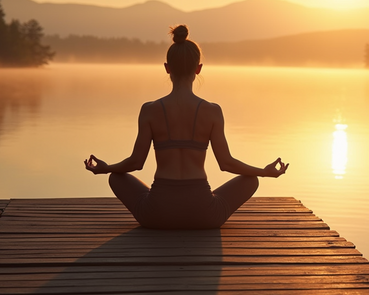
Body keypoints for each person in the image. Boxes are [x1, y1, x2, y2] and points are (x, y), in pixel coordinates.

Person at [84, 24, 288, 229]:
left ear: (167, 68)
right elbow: (226, 163)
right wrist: (263, 171)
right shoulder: (212, 111)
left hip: (157, 215)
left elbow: (136, 162)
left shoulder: (149, 110)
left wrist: (106, 168)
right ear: (198, 69)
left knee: (116, 178)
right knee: (251, 180)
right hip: (204, 215)